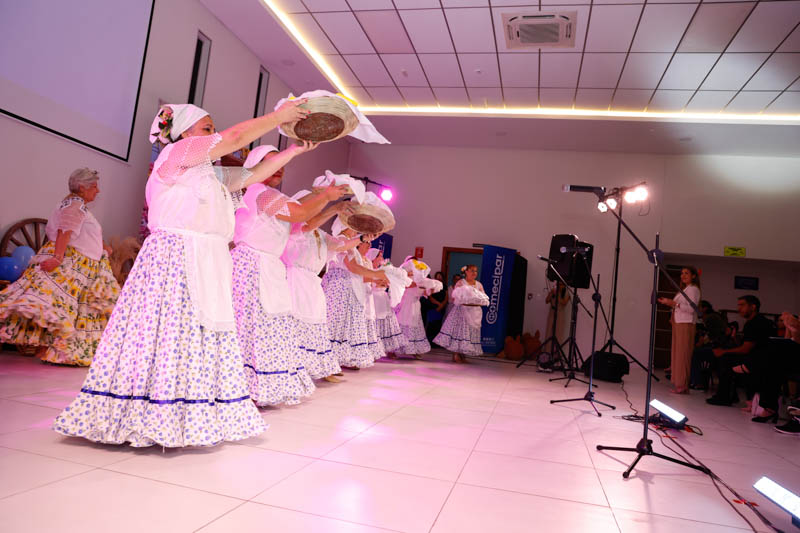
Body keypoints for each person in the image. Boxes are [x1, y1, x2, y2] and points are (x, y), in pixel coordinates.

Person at [54, 100, 312, 447]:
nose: (212, 133)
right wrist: (278, 118)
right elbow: (234, 138)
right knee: (169, 333)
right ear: (185, 133)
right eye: (206, 128)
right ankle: (153, 410)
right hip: (176, 257)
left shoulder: (207, 172)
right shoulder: (175, 155)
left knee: (195, 336)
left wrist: (293, 151)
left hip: (205, 258)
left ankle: (188, 413)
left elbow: (251, 176)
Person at [231, 148, 348, 406]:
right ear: (254, 166)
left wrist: (332, 205)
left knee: (265, 327)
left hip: (266, 265)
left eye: (281, 160)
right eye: (270, 161)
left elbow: (304, 223)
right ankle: (241, 387)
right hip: (252, 264)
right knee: (252, 327)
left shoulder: (269, 194)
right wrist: (327, 197)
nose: (279, 166)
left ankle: (256, 387)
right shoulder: (259, 192)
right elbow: (299, 214)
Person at [0, 168, 120, 366]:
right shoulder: (75, 205)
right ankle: (64, 352)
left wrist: (103, 247)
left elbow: (79, 233)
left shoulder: (74, 204)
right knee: (65, 308)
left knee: (74, 309)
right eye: (95, 187)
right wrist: (57, 258)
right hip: (75, 262)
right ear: (82, 187)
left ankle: (62, 352)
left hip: (85, 261)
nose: (97, 191)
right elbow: (65, 231)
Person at [282, 189, 361, 383]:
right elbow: (308, 224)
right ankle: (291, 368)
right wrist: (334, 208)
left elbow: (340, 244)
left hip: (311, 282)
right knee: (297, 325)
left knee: (315, 325)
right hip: (295, 280)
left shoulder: (320, 233)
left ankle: (313, 368)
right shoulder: (296, 226)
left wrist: (363, 239)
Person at [323, 223, 388, 370]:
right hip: (338, 283)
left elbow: (355, 268)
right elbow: (352, 266)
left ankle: (337, 361)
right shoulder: (341, 239)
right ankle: (329, 363)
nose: (356, 231)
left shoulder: (351, 244)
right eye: (354, 227)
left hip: (346, 284)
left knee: (343, 324)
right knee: (335, 322)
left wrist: (375, 276)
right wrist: (376, 274)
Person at [706, 295, 776, 407]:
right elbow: (745, 345)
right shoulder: (754, 322)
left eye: (742, 305)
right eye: (738, 305)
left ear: (753, 307)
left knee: (725, 359)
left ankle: (725, 396)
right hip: (756, 356)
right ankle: (730, 395)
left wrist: (724, 352)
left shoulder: (756, 323)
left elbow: (746, 349)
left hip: (760, 360)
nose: (739, 308)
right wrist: (733, 337)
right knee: (722, 357)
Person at [657, 266, 701, 394]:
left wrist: (673, 303)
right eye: (681, 273)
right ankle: (679, 383)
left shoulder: (693, 289)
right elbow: (680, 306)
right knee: (678, 353)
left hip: (685, 324)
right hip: (679, 322)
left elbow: (691, 309)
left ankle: (682, 384)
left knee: (683, 354)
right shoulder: (685, 289)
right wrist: (670, 304)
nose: (683, 276)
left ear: (693, 276)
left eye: (686, 273)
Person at [434, 264, 489, 363]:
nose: (474, 273)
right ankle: (456, 354)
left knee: (468, 334)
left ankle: (462, 354)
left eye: (476, 271)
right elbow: (455, 296)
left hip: (474, 312)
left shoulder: (479, 284)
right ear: (466, 272)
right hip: (462, 311)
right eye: (472, 270)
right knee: (460, 333)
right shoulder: (461, 282)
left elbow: (483, 297)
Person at [366, 248, 408, 358]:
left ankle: (390, 349)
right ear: (373, 258)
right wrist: (379, 283)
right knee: (375, 322)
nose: (382, 258)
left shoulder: (383, 270)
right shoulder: (367, 269)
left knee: (388, 322)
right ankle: (374, 350)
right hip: (373, 297)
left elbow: (387, 283)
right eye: (379, 256)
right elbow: (370, 284)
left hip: (383, 298)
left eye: (381, 256)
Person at [394, 258, 434, 359]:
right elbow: (403, 284)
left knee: (415, 326)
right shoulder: (403, 273)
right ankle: (394, 350)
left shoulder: (420, 275)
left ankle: (414, 349)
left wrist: (430, 288)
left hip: (415, 303)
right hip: (404, 302)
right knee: (400, 324)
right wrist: (416, 282)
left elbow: (424, 291)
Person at [545, 280, 571, 346]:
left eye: (561, 284)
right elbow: (547, 300)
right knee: (548, 333)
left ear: (564, 285)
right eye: (558, 284)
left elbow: (564, 303)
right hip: (552, 312)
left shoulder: (567, 293)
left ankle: (556, 354)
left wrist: (557, 294)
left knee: (558, 334)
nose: (559, 286)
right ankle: (547, 352)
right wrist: (551, 293)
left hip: (560, 314)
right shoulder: (553, 291)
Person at [424, 271, 447, 340]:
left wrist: (442, 305)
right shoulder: (432, 284)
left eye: (440, 276)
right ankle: (430, 339)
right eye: (438, 276)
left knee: (438, 324)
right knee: (431, 323)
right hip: (433, 306)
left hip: (442, 307)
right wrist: (438, 304)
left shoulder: (444, 286)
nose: (439, 278)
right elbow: (430, 296)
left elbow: (446, 297)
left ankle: (436, 340)